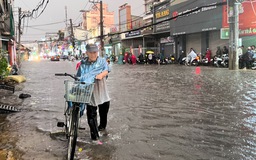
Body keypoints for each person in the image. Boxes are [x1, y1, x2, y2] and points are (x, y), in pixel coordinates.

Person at [76, 43, 111, 142]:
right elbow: (78, 77)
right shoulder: (82, 64)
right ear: (87, 53)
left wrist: (101, 75)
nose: (93, 55)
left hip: (102, 92)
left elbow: (107, 70)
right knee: (91, 117)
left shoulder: (102, 61)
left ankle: (102, 128)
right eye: (91, 53)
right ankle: (95, 138)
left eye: (95, 52)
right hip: (90, 93)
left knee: (103, 114)